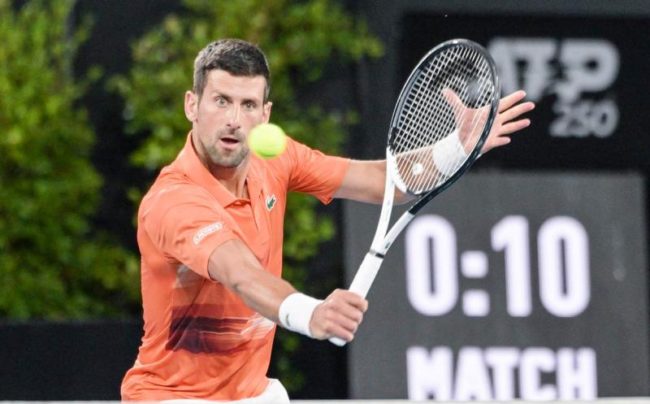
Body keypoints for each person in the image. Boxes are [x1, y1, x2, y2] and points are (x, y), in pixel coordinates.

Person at [121, 38, 535, 402]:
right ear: (192, 105)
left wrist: (455, 148)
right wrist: (310, 314)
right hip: (171, 398)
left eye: (247, 105)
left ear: (265, 114)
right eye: (221, 101)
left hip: (250, 394)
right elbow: (241, 274)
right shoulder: (174, 200)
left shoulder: (275, 158)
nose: (233, 119)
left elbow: (382, 181)